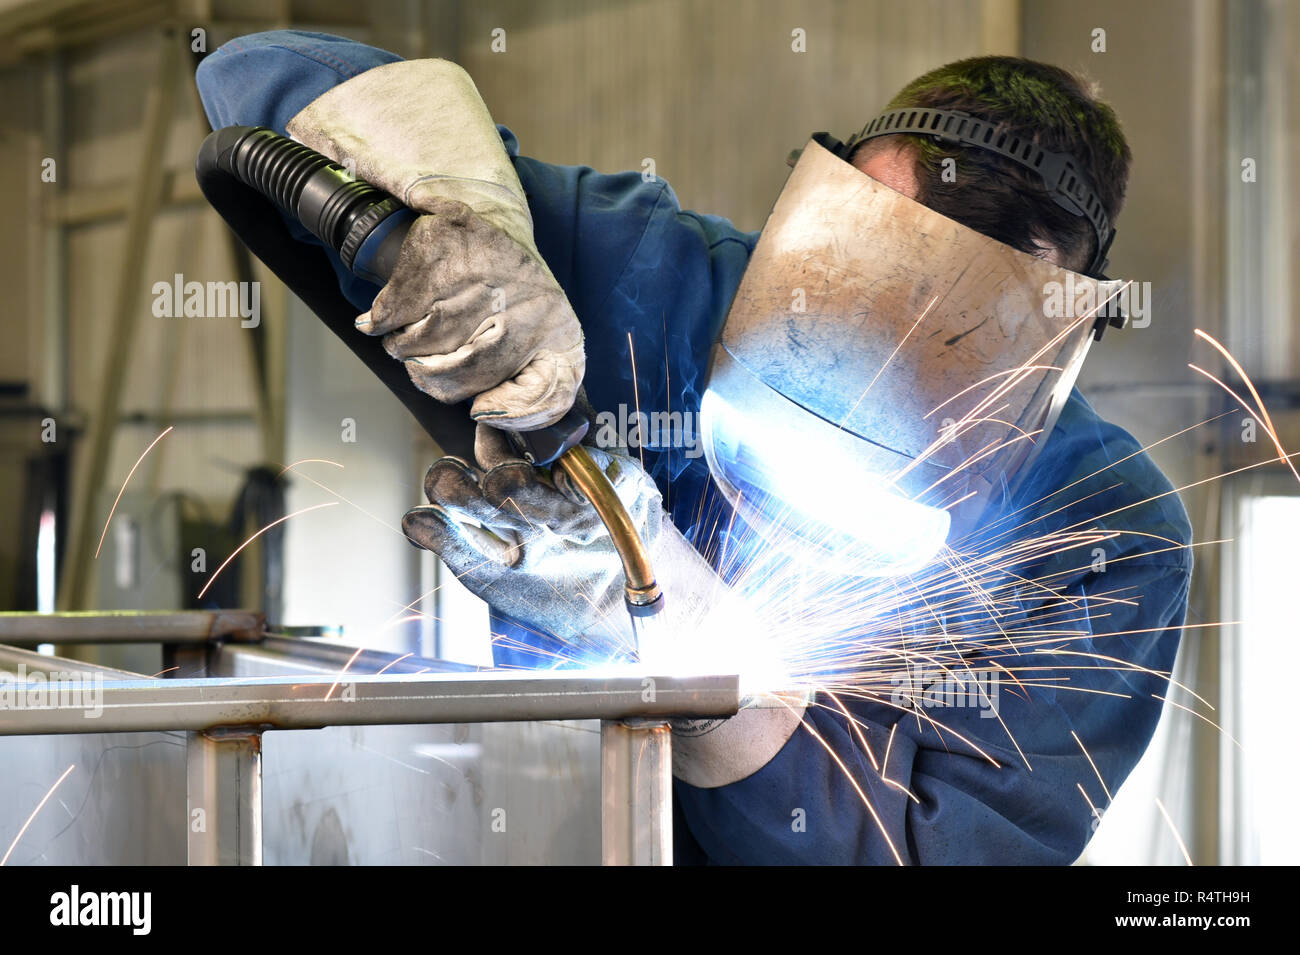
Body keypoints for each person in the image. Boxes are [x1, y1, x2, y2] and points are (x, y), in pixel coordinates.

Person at [196, 31, 1193, 865]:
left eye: (953, 321)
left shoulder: (1105, 524)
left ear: (1054, 330)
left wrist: (669, 631)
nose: (887, 339)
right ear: (824, 205)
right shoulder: (653, 278)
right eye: (880, 261)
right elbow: (256, 82)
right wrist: (477, 234)